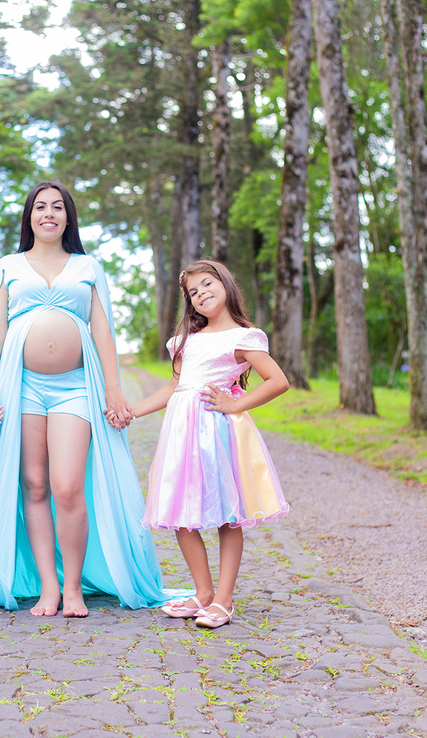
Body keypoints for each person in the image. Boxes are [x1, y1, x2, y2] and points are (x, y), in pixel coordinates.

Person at [0, 181, 165, 617]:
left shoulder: (87, 266)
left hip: (75, 387)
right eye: (40, 206)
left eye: (57, 207)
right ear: (29, 216)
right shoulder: (7, 266)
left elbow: (103, 330)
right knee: (34, 484)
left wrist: (114, 388)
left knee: (68, 485)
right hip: (21, 387)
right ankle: (49, 587)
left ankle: (74, 587)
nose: (49, 213)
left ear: (67, 217)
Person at [120, 259, 290, 629]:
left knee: (227, 515)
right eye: (193, 292)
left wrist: (236, 404)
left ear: (226, 284)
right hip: (181, 436)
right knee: (181, 513)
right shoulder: (186, 341)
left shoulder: (243, 338)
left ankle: (224, 600)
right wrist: (133, 411)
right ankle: (203, 592)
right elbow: (174, 387)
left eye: (208, 284)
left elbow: (277, 381)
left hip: (215, 435)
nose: (201, 294)